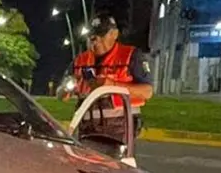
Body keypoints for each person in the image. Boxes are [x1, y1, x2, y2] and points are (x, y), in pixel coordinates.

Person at [62, 12, 154, 140]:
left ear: (114, 34)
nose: (96, 40)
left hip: (120, 132)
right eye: (92, 37)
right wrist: (66, 89)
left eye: (101, 35)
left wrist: (112, 86)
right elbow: (61, 94)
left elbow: (147, 92)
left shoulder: (131, 56)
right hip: (87, 132)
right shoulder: (79, 61)